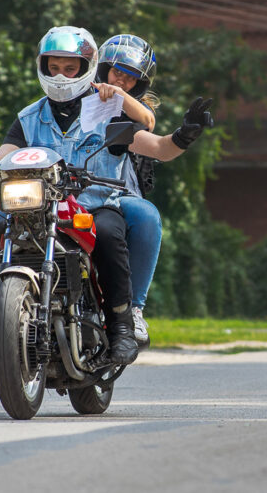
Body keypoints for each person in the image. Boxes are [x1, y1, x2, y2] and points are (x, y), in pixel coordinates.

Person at [0, 26, 213, 365]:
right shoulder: (29, 116)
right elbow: (3, 154)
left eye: (70, 68)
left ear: (86, 67)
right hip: (40, 205)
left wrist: (184, 136)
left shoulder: (109, 110)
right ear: (42, 66)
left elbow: (158, 147)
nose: (61, 75)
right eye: (54, 67)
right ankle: (9, 321)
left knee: (110, 234)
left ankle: (123, 327)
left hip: (94, 204)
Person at [93, 34, 163, 345]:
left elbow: (148, 121)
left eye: (130, 77)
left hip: (114, 191)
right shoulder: (75, 94)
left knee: (146, 215)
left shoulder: (127, 104)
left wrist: (118, 95)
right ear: (103, 67)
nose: (121, 79)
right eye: (117, 71)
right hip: (64, 186)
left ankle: (134, 308)